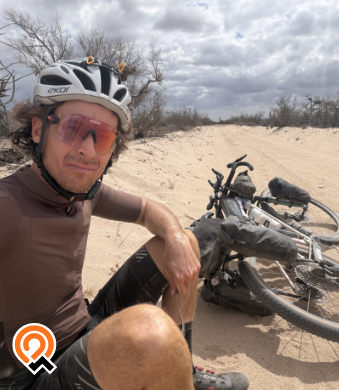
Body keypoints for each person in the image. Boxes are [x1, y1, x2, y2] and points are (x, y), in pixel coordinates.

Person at [0, 58, 248, 390]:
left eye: (103, 136)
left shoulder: (84, 192)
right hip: (32, 373)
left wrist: (175, 236)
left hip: (85, 326)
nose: (88, 150)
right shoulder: (9, 205)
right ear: (37, 129)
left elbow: (148, 210)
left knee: (184, 242)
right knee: (150, 330)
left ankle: (182, 372)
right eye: (73, 128)